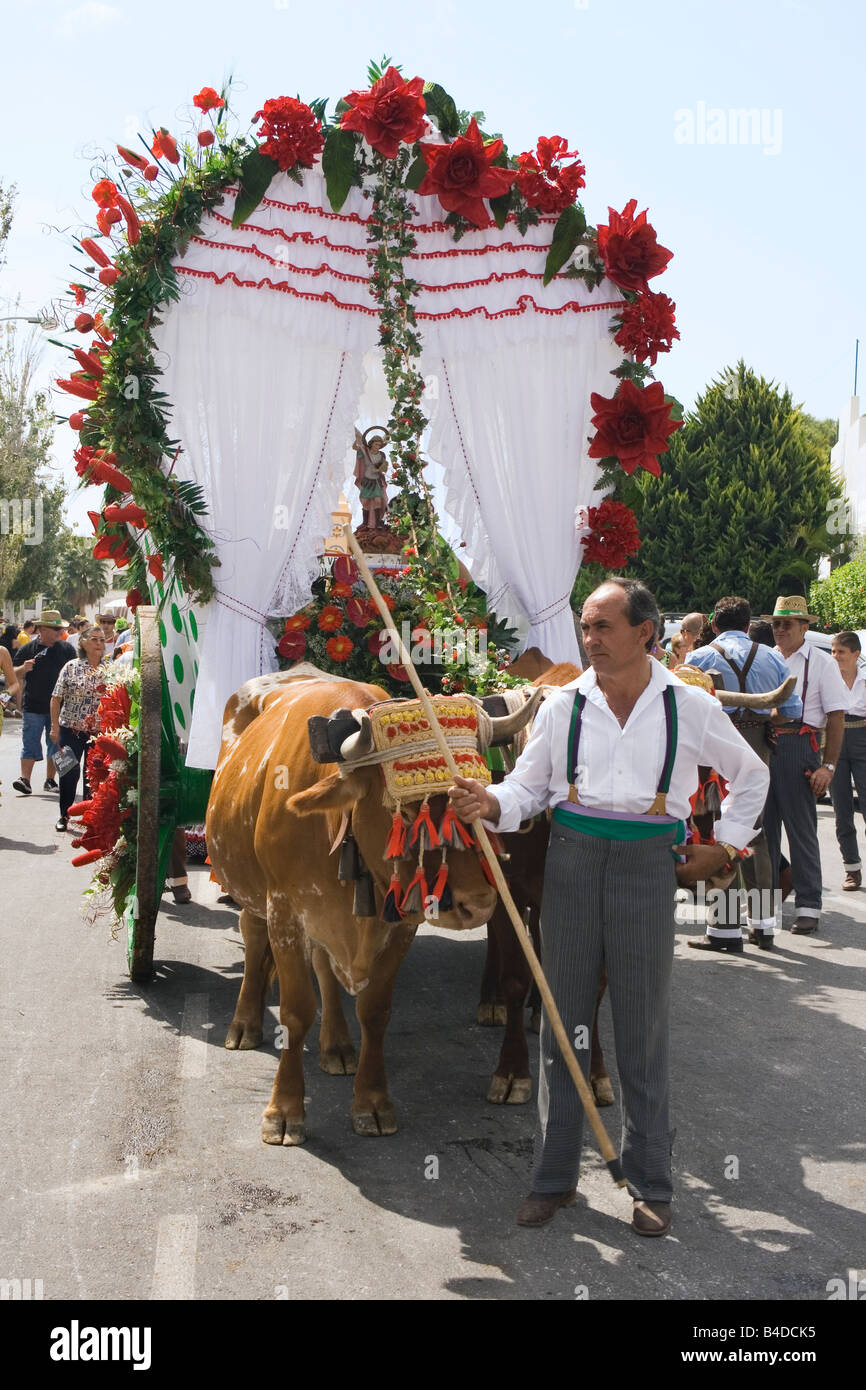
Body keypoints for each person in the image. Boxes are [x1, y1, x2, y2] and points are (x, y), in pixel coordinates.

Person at [449, 579, 768, 1238]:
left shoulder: (688, 705)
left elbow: (752, 774)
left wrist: (726, 848)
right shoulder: (563, 705)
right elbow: (528, 787)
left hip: (650, 866)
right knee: (561, 1022)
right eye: (586, 628)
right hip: (570, 860)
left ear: (646, 633)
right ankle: (553, 1177)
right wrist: (489, 804)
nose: (590, 640)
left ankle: (652, 1183)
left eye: (603, 627)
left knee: (642, 1027)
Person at [685, 595, 802, 951]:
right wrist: (763, 722)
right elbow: (791, 711)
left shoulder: (697, 658)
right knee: (757, 834)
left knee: (719, 834)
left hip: (712, 750)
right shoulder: (771, 657)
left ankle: (724, 929)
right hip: (758, 743)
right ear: (749, 626)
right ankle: (764, 926)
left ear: (713, 625)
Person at [763, 596, 850, 936]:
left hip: (801, 746)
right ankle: (763, 909)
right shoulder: (766, 658)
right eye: (776, 623)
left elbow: (837, 715)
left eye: (788, 623)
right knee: (763, 831)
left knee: (801, 830)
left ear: (804, 627)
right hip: (765, 745)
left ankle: (809, 906)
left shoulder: (821, 662)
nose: (780, 629)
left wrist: (828, 765)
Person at [48, 624, 107, 832]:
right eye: (94, 639)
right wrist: (54, 727)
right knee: (68, 773)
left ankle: (89, 818)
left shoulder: (110, 669)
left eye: (102, 640)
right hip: (69, 730)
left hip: (97, 733)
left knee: (94, 775)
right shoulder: (71, 667)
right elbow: (56, 698)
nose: (99, 643)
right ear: (83, 642)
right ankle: (64, 815)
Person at [11, 612, 76, 796]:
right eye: (56, 629)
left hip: (59, 708)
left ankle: (50, 779)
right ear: (42, 629)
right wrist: (23, 668)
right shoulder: (28, 649)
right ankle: (25, 780)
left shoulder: (67, 649)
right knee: (29, 743)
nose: (60, 632)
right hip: (32, 705)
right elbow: (12, 673)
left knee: (56, 745)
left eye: (60, 628)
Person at [828, 631, 866, 891]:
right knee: (842, 809)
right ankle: (851, 868)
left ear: (856, 654)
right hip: (836, 738)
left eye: (840, 652)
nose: (835, 656)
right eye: (833, 651)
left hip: (863, 736)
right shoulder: (828, 678)